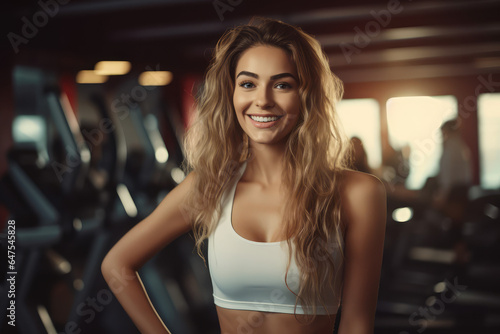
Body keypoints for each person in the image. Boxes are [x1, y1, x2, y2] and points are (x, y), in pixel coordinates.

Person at [101, 17, 387, 334]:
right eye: (248, 84)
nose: (262, 100)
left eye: (282, 84)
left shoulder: (358, 193)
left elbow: (357, 323)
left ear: (307, 96)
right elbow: (117, 265)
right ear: (232, 93)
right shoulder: (208, 186)